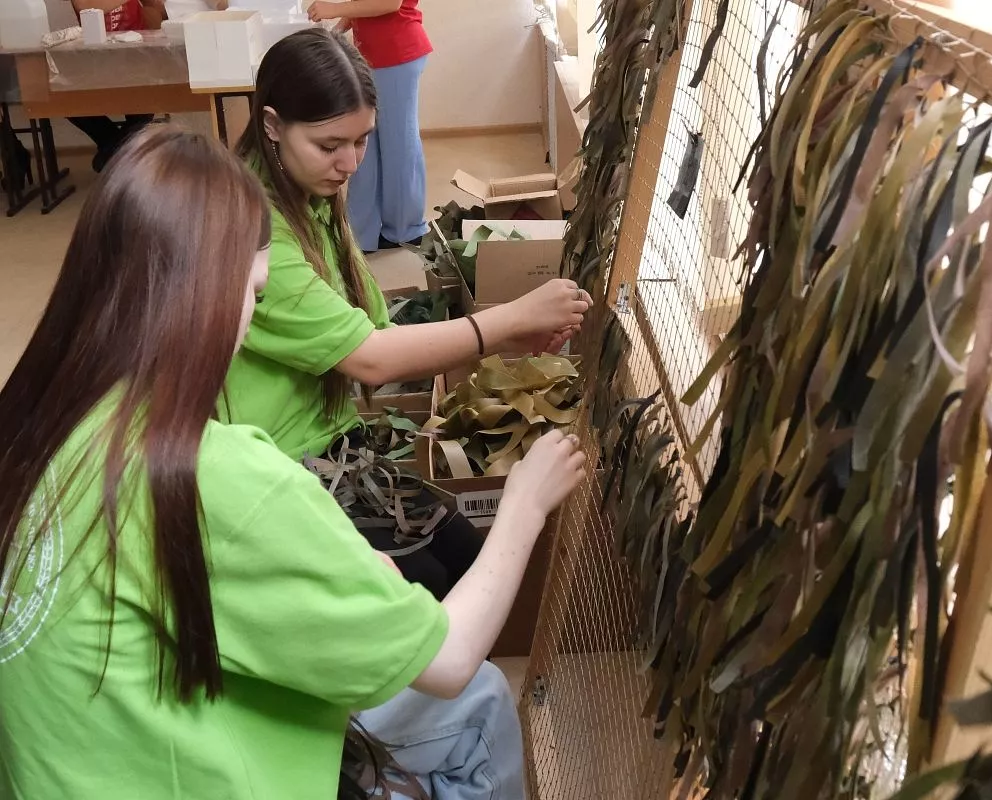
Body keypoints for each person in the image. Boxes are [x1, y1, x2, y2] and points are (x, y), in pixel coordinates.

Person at [0, 124, 585, 798]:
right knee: (479, 694)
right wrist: (524, 503)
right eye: (252, 292)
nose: (252, 317)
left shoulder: (42, 420)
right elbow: (449, 659)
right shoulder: (219, 475)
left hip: (87, 761)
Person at [224, 28, 592, 598]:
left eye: (361, 141)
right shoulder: (256, 226)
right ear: (272, 125)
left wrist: (504, 338)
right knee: (429, 585)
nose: (350, 163)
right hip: (279, 465)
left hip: (333, 444)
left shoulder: (308, 194)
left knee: (464, 555)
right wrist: (511, 319)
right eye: (329, 145)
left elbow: (377, 328)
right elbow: (371, 358)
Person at [307, 0, 432, 252]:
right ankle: (360, 232)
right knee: (365, 147)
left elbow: (390, 3)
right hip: (373, 57)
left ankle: (406, 229)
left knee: (398, 146)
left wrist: (334, 9)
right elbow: (362, 4)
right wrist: (337, 30)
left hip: (396, 55)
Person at [69, 0, 164, 172]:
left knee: (145, 96)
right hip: (94, 58)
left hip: (137, 54)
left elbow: (155, 9)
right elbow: (84, 5)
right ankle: (116, 148)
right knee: (65, 98)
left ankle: (114, 152)